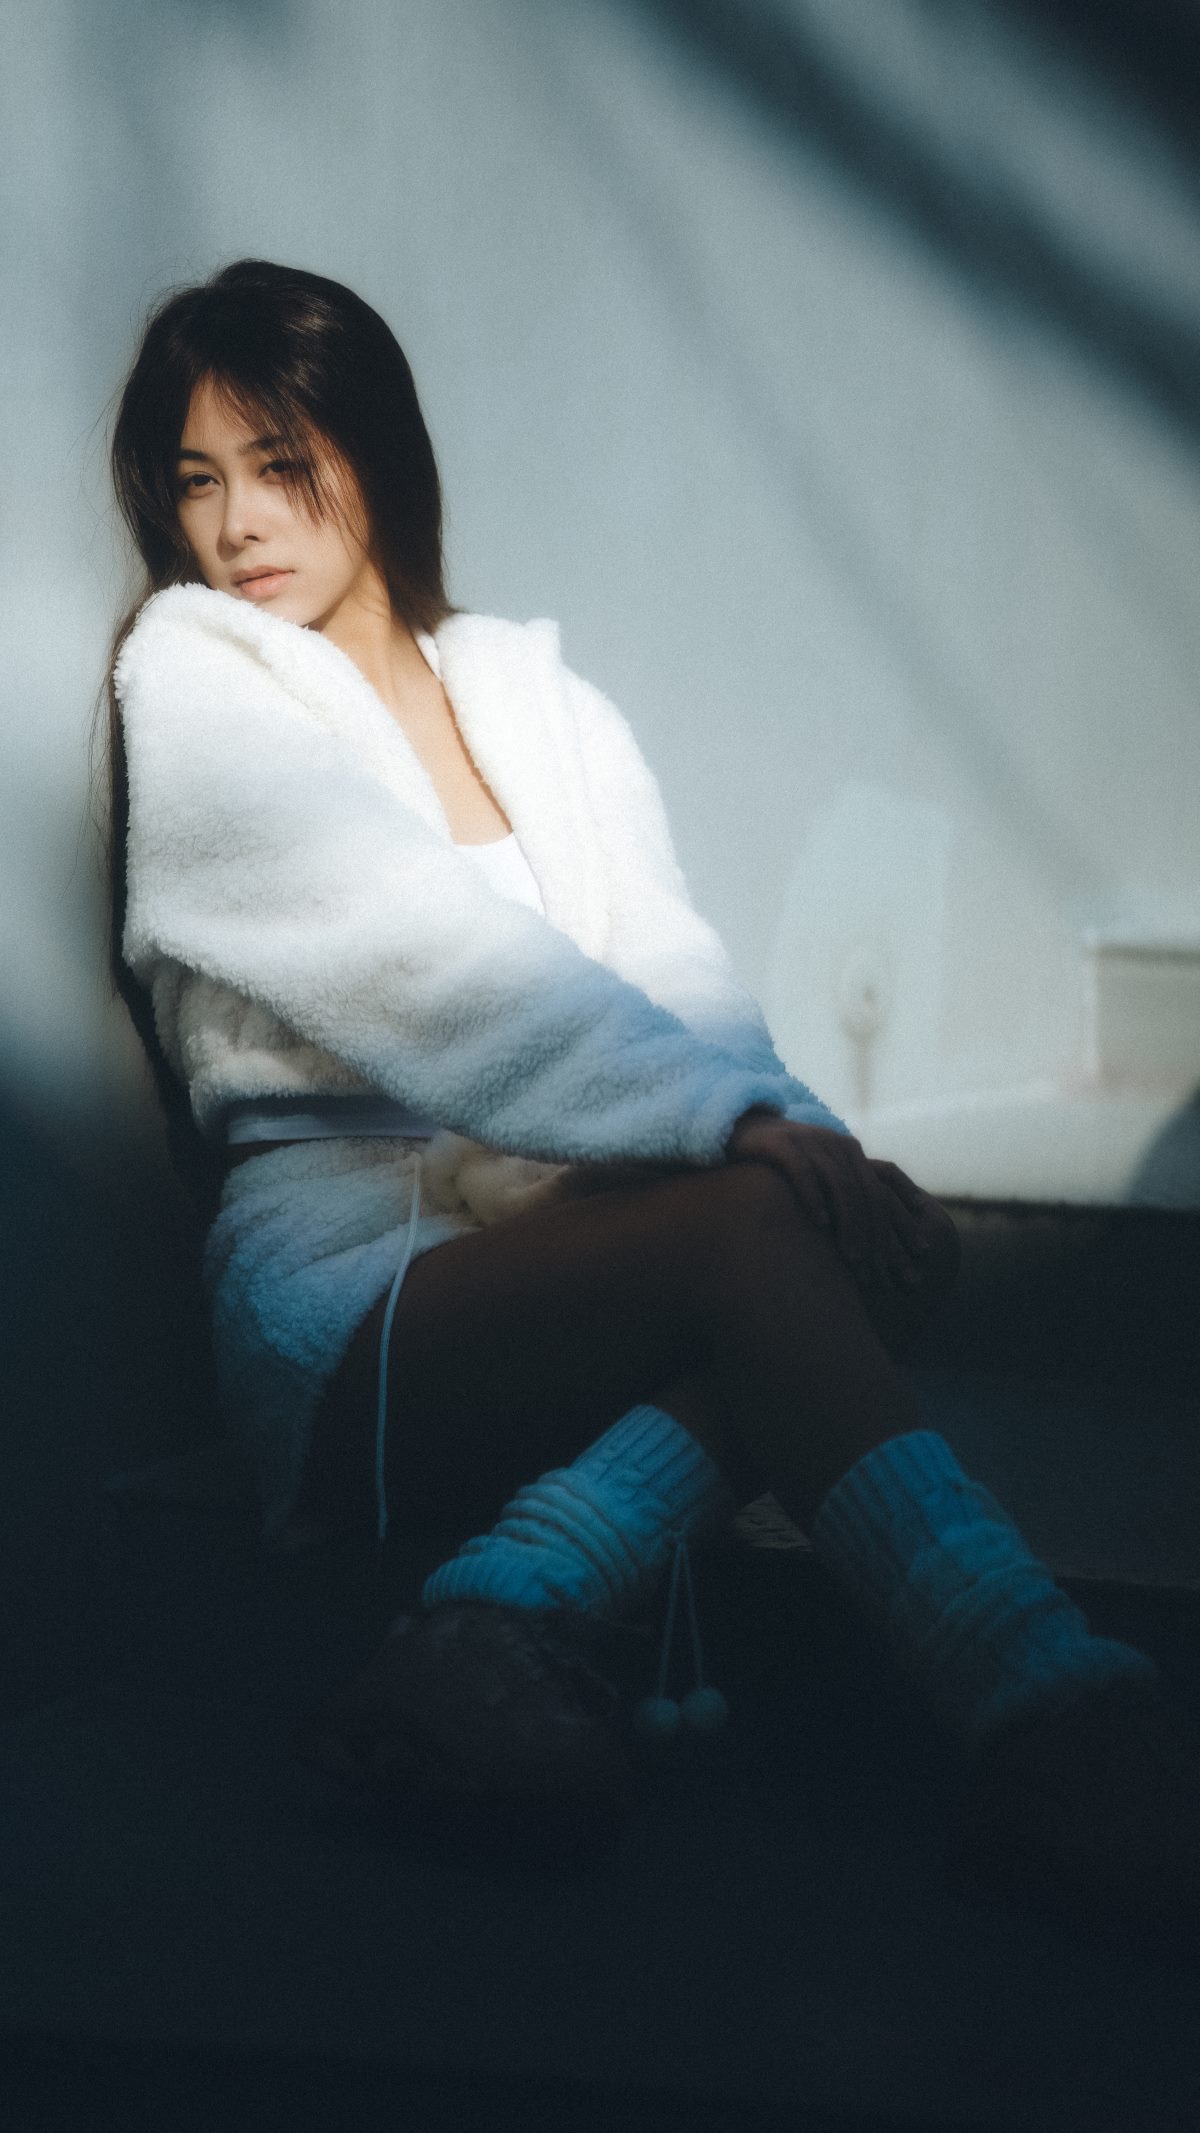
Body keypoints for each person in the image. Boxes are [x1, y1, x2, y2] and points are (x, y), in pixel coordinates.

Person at [101, 257, 1199, 1946]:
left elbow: (671, 969)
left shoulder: (534, 695)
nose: (237, 521)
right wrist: (731, 1136)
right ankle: (1047, 1703)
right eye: (197, 480)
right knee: (760, 1231)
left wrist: (781, 1126)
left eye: (281, 461)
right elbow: (421, 961)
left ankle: (505, 1602)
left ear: (374, 451)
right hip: (346, 1286)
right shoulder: (195, 675)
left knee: (885, 1241)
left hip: (556, 1239)